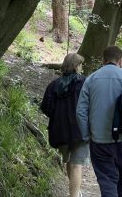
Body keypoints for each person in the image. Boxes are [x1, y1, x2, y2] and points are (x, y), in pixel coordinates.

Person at [76, 45, 122, 197]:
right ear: (120, 60)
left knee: (107, 182)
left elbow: (81, 111)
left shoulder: (91, 79)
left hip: (99, 141)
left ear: (103, 59)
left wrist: (86, 135)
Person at [40, 53, 88, 197]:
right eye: (81, 64)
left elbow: (45, 107)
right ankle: (74, 195)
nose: (81, 67)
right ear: (76, 66)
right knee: (76, 163)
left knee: (69, 162)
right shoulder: (84, 83)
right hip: (79, 130)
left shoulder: (53, 85)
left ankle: (75, 192)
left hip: (59, 131)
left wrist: (57, 117)